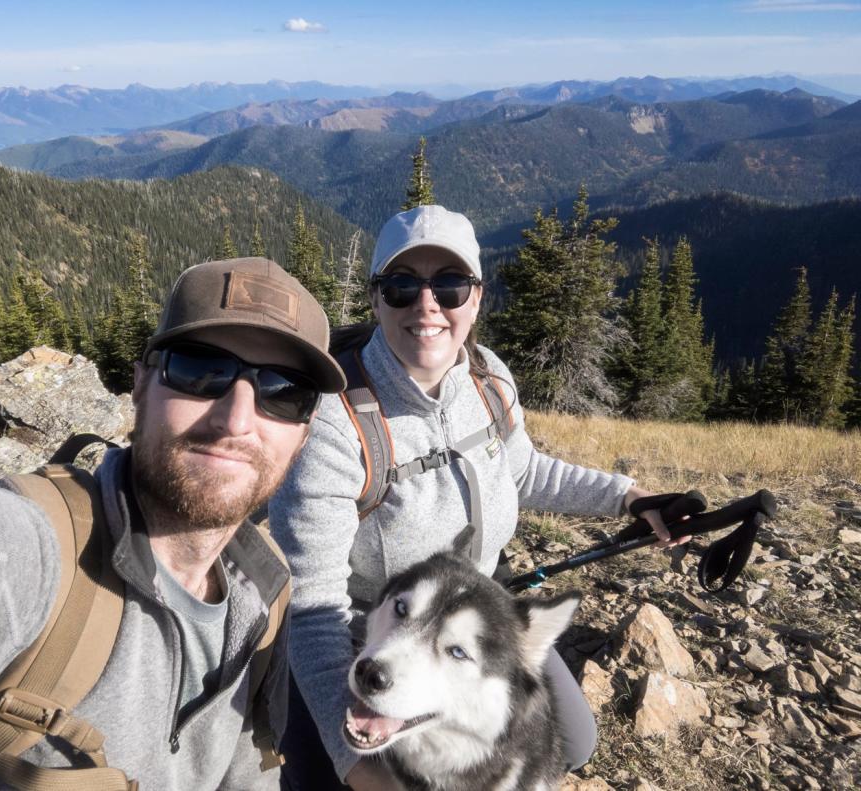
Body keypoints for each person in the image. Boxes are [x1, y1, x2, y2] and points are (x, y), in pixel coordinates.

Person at [269, 206, 684, 791]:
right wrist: (355, 762)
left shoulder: (488, 380)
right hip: (370, 634)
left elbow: (525, 472)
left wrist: (632, 499)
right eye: (402, 286)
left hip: (472, 626)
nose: (426, 304)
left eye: (450, 285)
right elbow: (313, 605)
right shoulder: (337, 422)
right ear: (376, 298)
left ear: (477, 298)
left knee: (575, 741)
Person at [0, 258, 346, 791]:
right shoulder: (29, 557)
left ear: (305, 430)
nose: (236, 420)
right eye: (202, 370)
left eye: (284, 391)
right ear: (140, 384)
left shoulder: (264, 594)